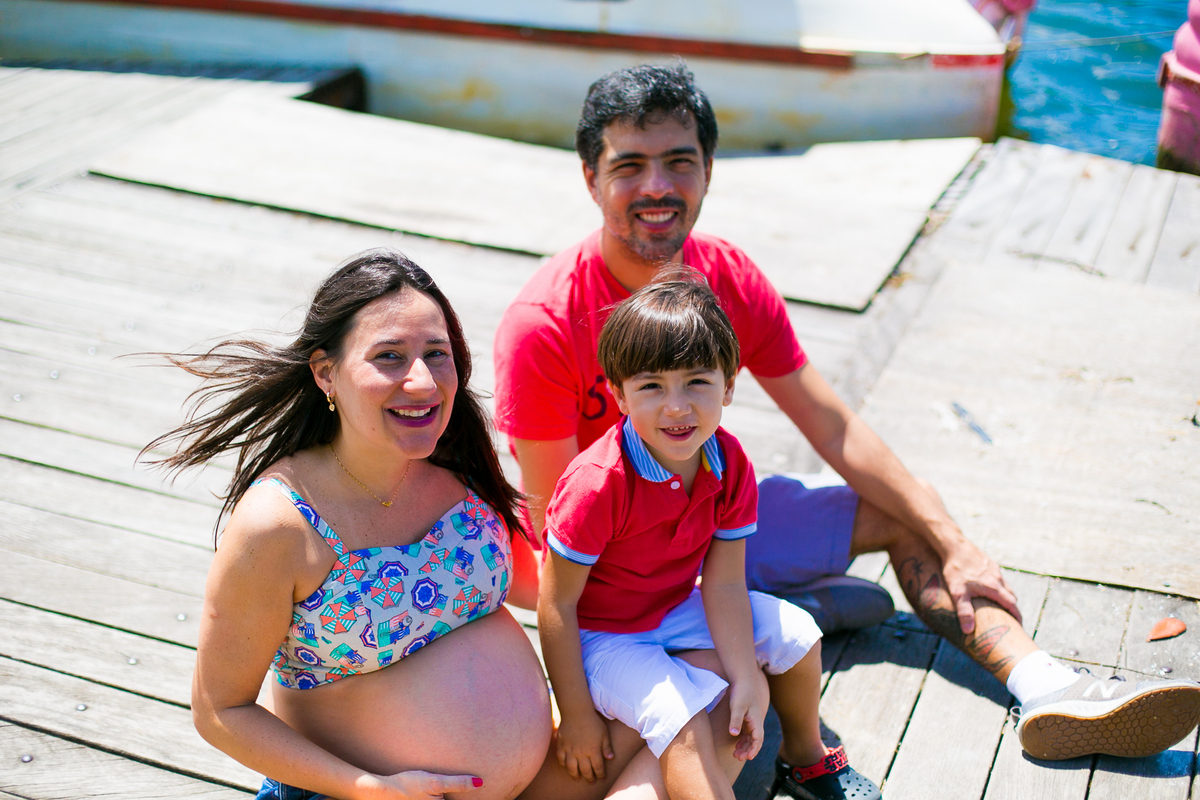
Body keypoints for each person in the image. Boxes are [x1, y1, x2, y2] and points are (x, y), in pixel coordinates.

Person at [493, 61, 1200, 767]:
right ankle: (801, 605)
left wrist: (951, 538)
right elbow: (555, 529)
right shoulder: (546, 323)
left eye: (679, 161)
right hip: (621, 583)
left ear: (709, 169)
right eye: (630, 166)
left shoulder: (729, 278)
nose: (656, 186)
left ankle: (1046, 683)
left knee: (907, 511)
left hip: (714, 527)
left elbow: (832, 426)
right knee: (717, 698)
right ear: (590, 178)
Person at [148, 249, 554, 800]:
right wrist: (367, 786)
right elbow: (220, 710)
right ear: (326, 374)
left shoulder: (455, 464)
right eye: (389, 356)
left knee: (694, 709)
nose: (422, 381)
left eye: (437, 354)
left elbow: (535, 582)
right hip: (353, 796)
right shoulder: (281, 523)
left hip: (535, 779)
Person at [538, 274, 880, 800]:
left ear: (730, 384)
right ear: (618, 394)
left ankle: (804, 759)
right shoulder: (598, 483)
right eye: (651, 386)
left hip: (676, 604)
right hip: (603, 636)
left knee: (798, 634)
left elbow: (722, 585)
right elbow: (556, 604)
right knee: (682, 721)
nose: (677, 407)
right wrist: (578, 713)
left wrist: (745, 674)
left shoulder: (731, 461)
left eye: (697, 381)